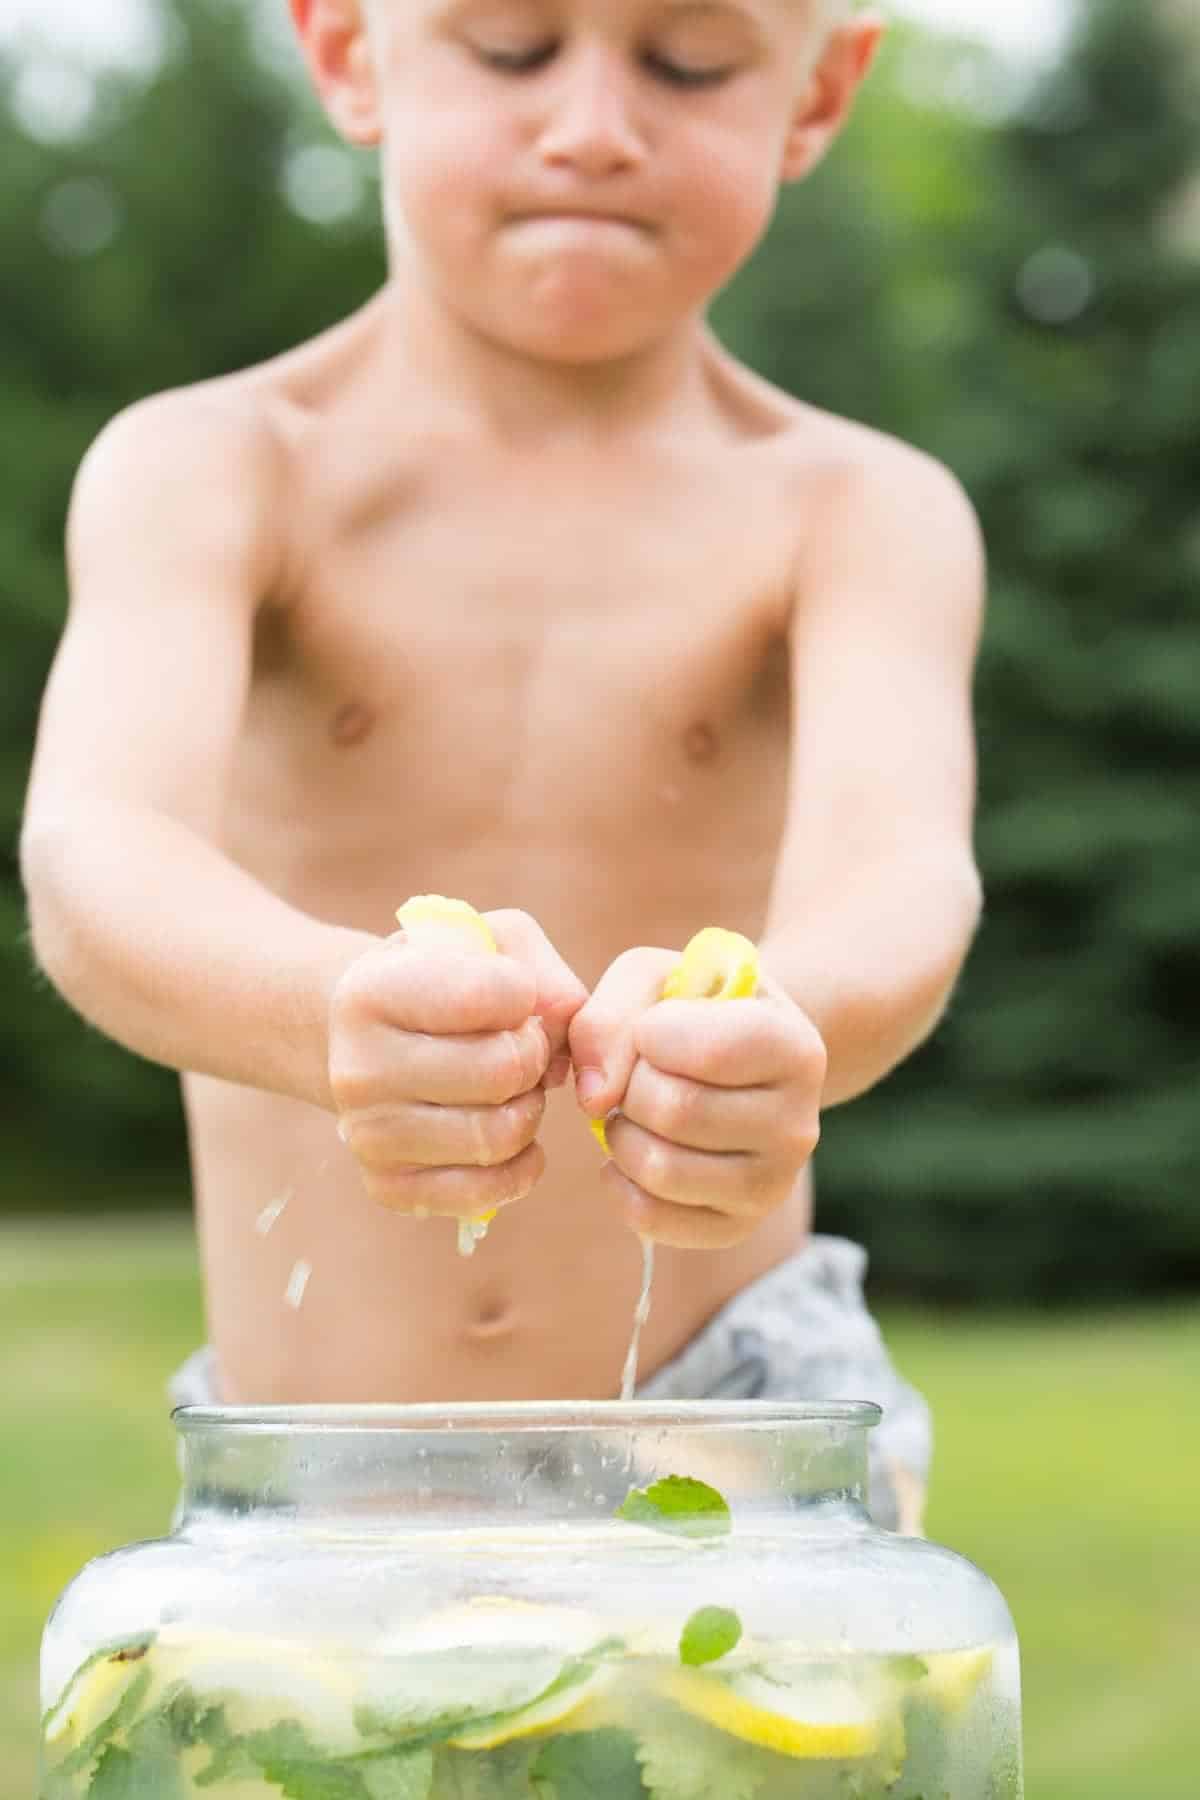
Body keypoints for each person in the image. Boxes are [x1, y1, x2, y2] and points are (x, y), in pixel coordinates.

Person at [20, 0, 983, 1534]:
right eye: (511, 48)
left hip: (737, 1436)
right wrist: (325, 1010)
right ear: (347, 55)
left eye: (689, 61)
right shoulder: (214, 466)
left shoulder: (862, 510)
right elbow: (96, 857)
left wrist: (785, 1031)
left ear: (816, 95)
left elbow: (902, 876)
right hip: (312, 1463)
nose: (595, 123)